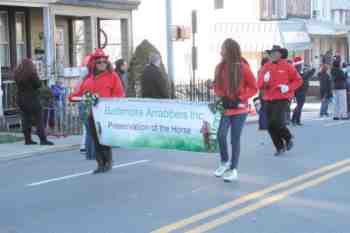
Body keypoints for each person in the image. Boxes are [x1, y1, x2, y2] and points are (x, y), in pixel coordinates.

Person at [70, 48, 125, 174]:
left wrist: (105, 102)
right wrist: (73, 96)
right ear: (93, 63)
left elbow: (119, 94)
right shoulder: (88, 78)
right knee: (95, 139)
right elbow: (81, 93)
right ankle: (100, 163)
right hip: (91, 113)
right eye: (99, 61)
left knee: (104, 139)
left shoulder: (113, 76)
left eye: (104, 61)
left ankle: (108, 163)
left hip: (105, 114)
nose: (102, 64)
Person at [213, 38, 258, 182]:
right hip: (226, 108)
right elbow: (216, 86)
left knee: (234, 139)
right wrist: (222, 96)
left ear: (230, 50)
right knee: (220, 135)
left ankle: (233, 169)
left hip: (240, 109)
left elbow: (254, 87)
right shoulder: (219, 67)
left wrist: (240, 98)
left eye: (224, 48)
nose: (222, 51)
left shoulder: (243, 67)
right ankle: (224, 162)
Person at [258, 45, 303, 156]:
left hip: (282, 99)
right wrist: (265, 80)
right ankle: (279, 147)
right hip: (268, 99)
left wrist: (288, 87)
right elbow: (259, 85)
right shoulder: (265, 67)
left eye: (275, 53)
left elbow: (298, 80)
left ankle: (288, 138)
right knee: (269, 125)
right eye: (271, 53)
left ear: (280, 54)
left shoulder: (288, 66)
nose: (272, 55)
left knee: (276, 122)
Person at [13, 59, 54, 146]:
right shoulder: (32, 73)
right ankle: (43, 140)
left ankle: (27, 140)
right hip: (32, 99)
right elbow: (38, 85)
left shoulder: (17, 73)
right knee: (39, 119)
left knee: (25, 119)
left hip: (21, 99)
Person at [291, 57, 316, 126]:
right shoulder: (297, 71)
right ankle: (297, 120)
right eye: (301, 64)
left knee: (299, 105)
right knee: (299, 106)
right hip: (300, 90)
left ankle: (294, 119)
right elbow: (305, 77)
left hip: (300, 90)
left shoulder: (297, 70)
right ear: (298, 64)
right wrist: (312, 70)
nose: (302, 65)